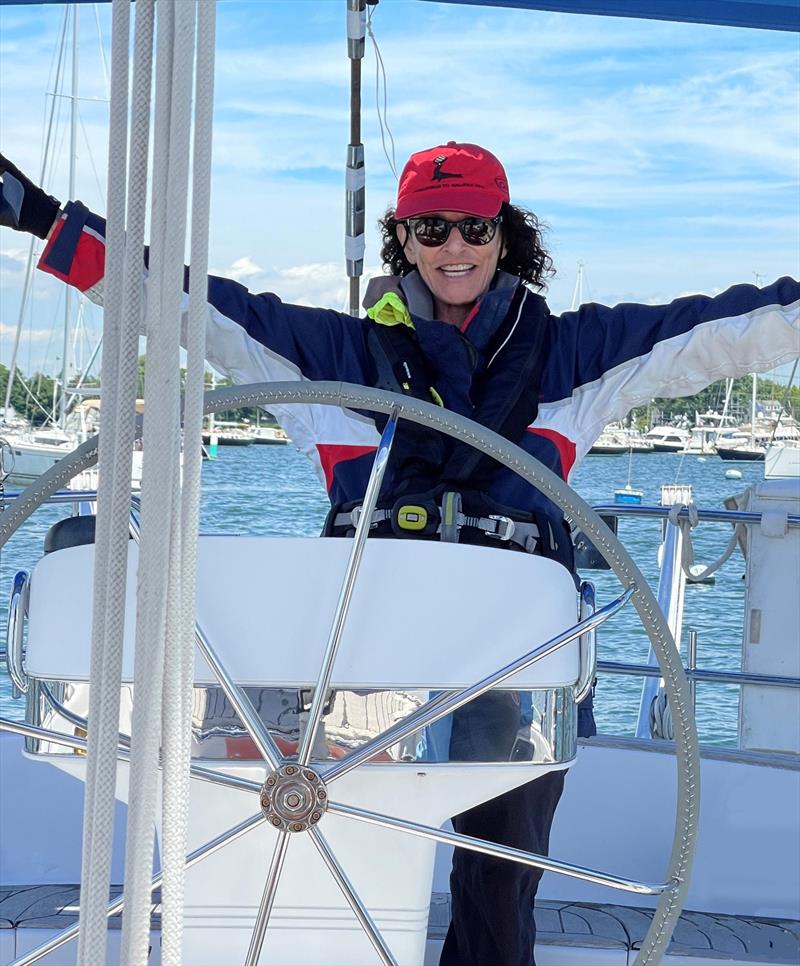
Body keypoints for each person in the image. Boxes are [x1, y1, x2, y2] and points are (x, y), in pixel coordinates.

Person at [1, 143, 798, 965]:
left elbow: (720, 334)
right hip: (369, 660)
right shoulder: (332, 355)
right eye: (432, 227)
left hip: (512, 659)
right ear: (406, 240)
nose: (455, 247)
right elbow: (186, 303)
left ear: (504, 235)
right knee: (323, 848)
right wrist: (42, 219)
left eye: (473, 227)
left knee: (500, 878)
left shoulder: (575, 356)